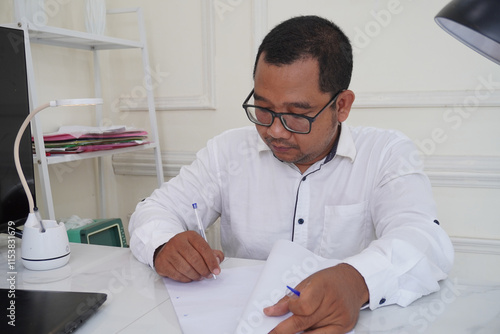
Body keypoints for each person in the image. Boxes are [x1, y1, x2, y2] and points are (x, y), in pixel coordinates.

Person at [129, 15, 454, 334]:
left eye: (297, 115)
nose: (274, 131)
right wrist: (164, 244)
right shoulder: (228, 151)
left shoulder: (385, 153)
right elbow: (154, 211)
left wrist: (355, 280)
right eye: (263, 108)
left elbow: (424, 241)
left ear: (341, 105)